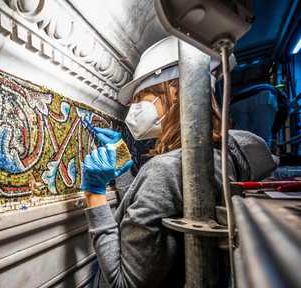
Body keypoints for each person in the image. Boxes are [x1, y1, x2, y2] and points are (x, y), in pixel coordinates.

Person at [81, 36, 278, 288]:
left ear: (173, 91)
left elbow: (124, 284)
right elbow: (156, 212)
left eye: (141, 96)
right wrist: (123, 167)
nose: (134, 108)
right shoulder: (220, 157)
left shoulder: (166, 169)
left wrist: (94, 193)